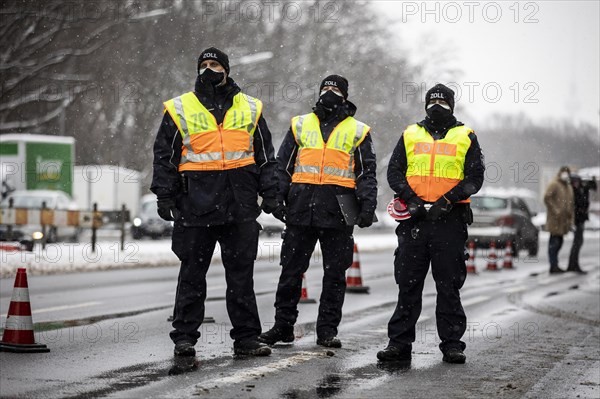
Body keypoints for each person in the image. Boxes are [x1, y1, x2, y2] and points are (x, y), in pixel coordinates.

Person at [151, 47, 278, 358]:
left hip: (240, 206)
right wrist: (165, 194)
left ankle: (247, 338)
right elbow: (164, 157)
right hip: (195, 206)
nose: (209, 69)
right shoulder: (180, 108)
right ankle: (184, 338)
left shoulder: (250, 108)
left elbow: (265, 157)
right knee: (192, 276)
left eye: (215, 64)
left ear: (227, 70)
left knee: (241, 278)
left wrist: (272, 191)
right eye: (204, 64)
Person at [258, 75, 378, 348]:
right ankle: (283, 326)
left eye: (336, 89)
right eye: (326, 87)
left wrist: (367, 205)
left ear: (345, 96)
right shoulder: (300, 124)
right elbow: (283, 166)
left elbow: (366, 173)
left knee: (335, 274)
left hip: (339, 211)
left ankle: (327, 330)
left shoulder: (358, 130)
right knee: (290, 271)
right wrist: (276, 198)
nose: (329, 92)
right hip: (301, 209)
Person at [378, 83, 485, 364]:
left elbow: (475, 178)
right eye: (432, 102)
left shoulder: (466, 135)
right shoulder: (410, 134)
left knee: (448, 286)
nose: (437, 107)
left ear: (452, 105)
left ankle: (452, 344)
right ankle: (399, 344)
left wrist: (448, 199)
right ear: (425, 104)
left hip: (449, 221)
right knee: (408, 285)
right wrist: (411, 199)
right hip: (415, 220)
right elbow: (394, 172)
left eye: (442, 102)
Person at [544, 166, 575, 274]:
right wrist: (556, 210)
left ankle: (555, 264)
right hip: (555, 220)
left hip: (564, 221)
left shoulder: (568, 187)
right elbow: (547, 197)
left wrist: (571, 219)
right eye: (564, 173)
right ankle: (553, 265)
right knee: (554, 243)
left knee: (559, 242)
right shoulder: (554, 184)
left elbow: (570, 204)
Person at [567, 174, 597, 273]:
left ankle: (574, 264)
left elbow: (593, 187)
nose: (576, 183)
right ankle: (573, 264)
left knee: (578, 243)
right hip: (577, 220)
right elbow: (574, 205)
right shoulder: (572, 191)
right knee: (577, 243)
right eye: (574, 182)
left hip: (581, 219)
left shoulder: (581, 189)